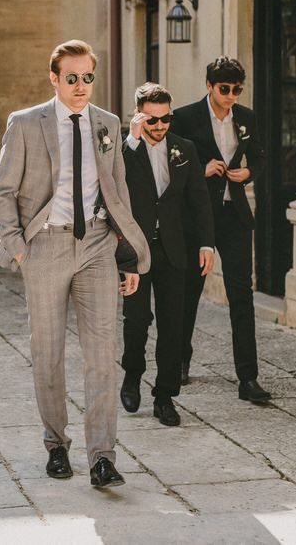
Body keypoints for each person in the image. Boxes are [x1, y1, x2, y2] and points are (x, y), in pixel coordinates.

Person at [0, 39, 150, 489]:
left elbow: (118, 192)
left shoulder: (108, 124)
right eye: (73, 77)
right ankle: (56, 444)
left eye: (88, 77)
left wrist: (128, 257)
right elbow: (3, 191)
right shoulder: (24, 124)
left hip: (97, 245)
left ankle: (102, 456)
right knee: (49, 353)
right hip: (44, 247)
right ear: (54, 78)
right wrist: (18, 245)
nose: (82, 86)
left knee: (102, 356)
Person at [171, 57, 270, 404]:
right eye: (225, 89)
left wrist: (249, 173)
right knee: (189, 291)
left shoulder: (246, 118)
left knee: (242, 295)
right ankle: (180, 359)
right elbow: (171, 163)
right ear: (210, 86)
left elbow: (259, 155)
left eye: (237, 90)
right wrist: (200, 169)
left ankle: (248, 378)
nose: (231, 96)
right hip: (200, 219)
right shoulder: (184, 117)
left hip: (236, 217)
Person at [120, 83, 214, 427]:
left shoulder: (184, 148)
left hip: (175, 250)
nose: (160, 127)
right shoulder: (122, 145)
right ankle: (132, 375)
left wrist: (206, 243)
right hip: (136, 251)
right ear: (138, 117)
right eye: (152, 120)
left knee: (173, 325)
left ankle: (165, 396)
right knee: (137, 321)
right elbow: (114, 184)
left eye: (165, 119)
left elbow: (199, 200)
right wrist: (132, 141)